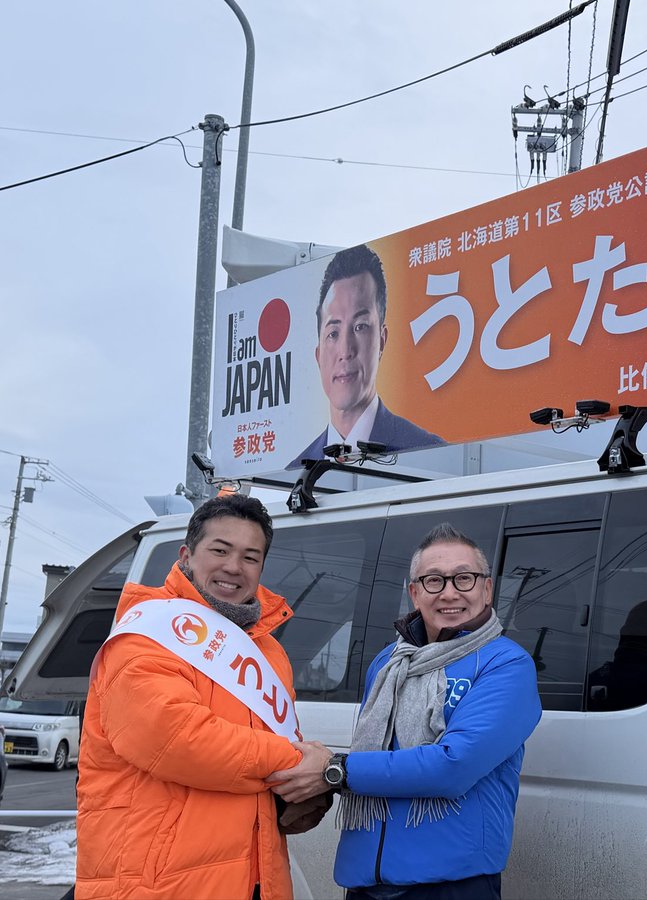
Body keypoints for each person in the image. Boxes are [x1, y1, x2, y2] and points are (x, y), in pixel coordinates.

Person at [74, 493, 330, 900]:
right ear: (187, 554)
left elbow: (267, 759)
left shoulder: (268, 652)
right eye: (220, 550)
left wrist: (302, 795)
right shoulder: (148, 633)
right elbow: (177, 739)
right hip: (158, 880)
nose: (233, 567)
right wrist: (304, 763)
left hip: (253, 875)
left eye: (250, 557)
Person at [269, 523, 541, 900]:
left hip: (451, 883)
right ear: (414, 593)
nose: (449, 592)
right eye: (433, 581)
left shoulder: (505, 664)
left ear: (486, 588)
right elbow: (375, 756)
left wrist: (334, 770)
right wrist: (318, 789)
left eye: (464, 578)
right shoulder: (389, 662)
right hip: (366, 880)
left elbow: (453, 767)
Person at [288, 244, 444, 467]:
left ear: (382, 340)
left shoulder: (427, 452)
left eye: (360, 327)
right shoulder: (296, 468)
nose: (345, 350)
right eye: (333, 333)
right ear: (318, 355)